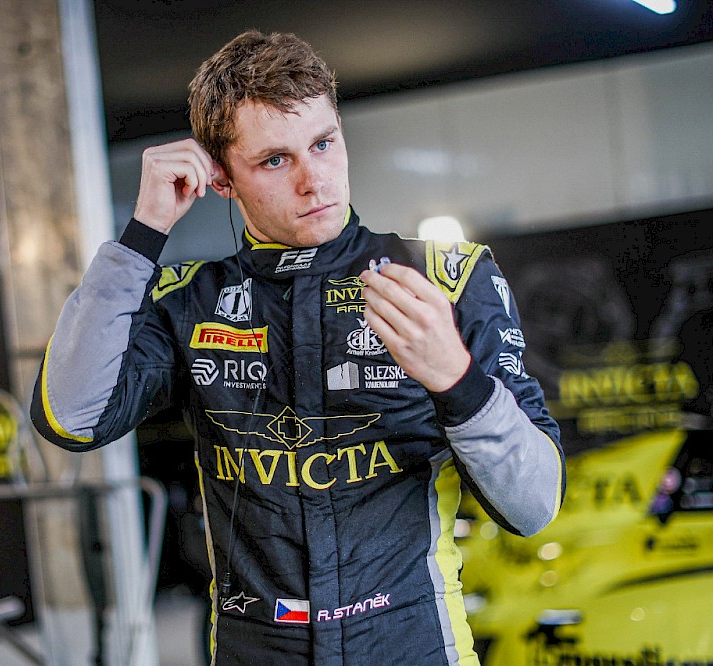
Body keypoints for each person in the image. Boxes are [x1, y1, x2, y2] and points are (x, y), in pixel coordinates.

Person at [31, 29, 565, 665]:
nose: (315, 181)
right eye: (275, 161)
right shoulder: (190, 299)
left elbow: (534, 506)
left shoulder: (447, 278)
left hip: (412, 644)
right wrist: (142, 236)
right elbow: (72, 417)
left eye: (323, 143)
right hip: (254, 648)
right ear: (223, 179)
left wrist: (457, 380)